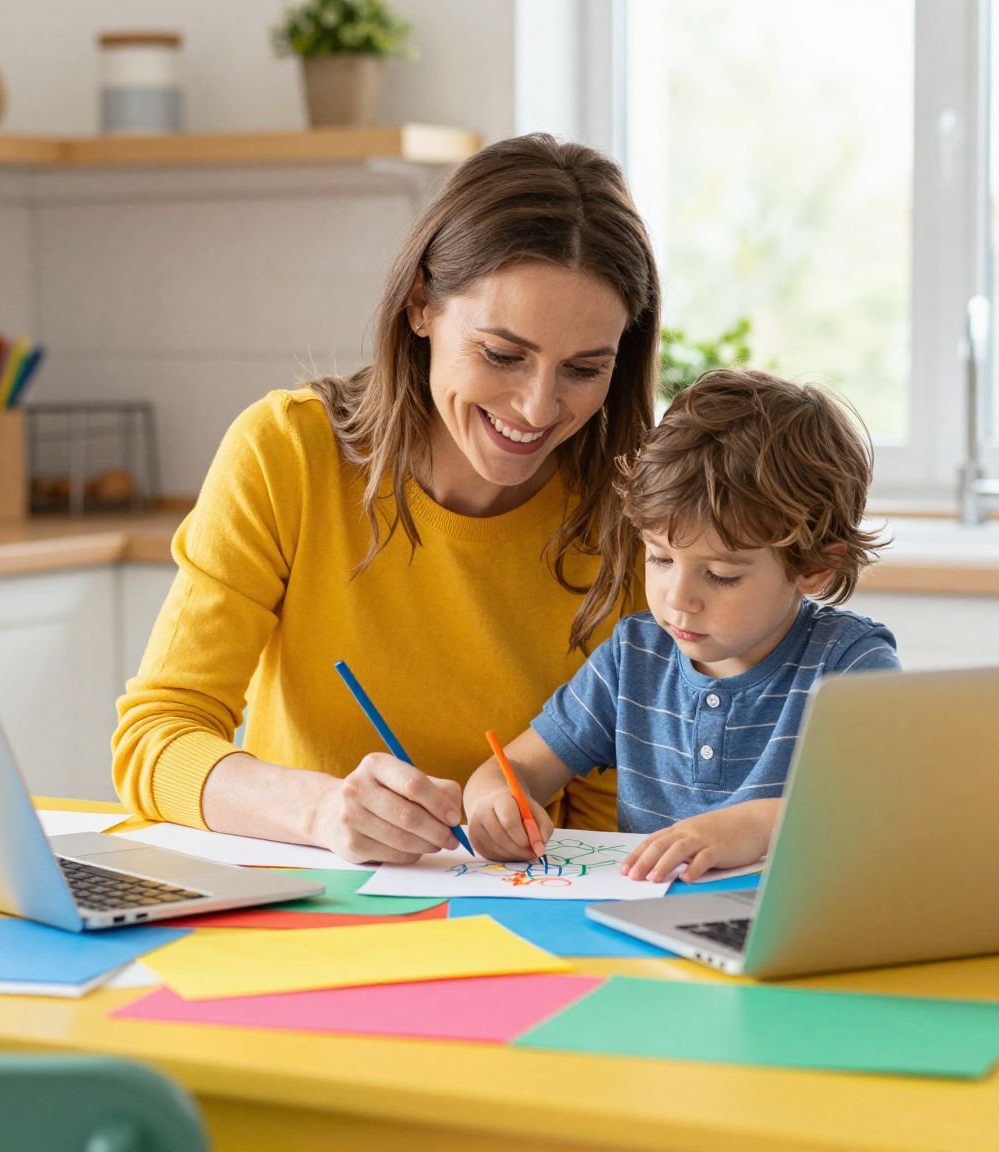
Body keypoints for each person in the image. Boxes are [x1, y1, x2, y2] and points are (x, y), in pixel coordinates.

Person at [111, 134, 661, 863]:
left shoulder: (638, 521)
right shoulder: (287, 454)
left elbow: (609, 821)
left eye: (584, 369)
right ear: (420, 304)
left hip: (524, 910)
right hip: (306, 900)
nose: (537, 407)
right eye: (502, 354)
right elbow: (156, 739)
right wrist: (318, 810)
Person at [463, 368, 900, 881]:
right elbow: (513, 769)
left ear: (814, 568)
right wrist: (493, 802)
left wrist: (758, 826)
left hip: (795, 917)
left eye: (720, 575)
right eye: (660, 558)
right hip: (642, 916)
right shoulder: (633, 657)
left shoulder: (850, 662)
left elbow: (887, 809)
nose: (677, 599)